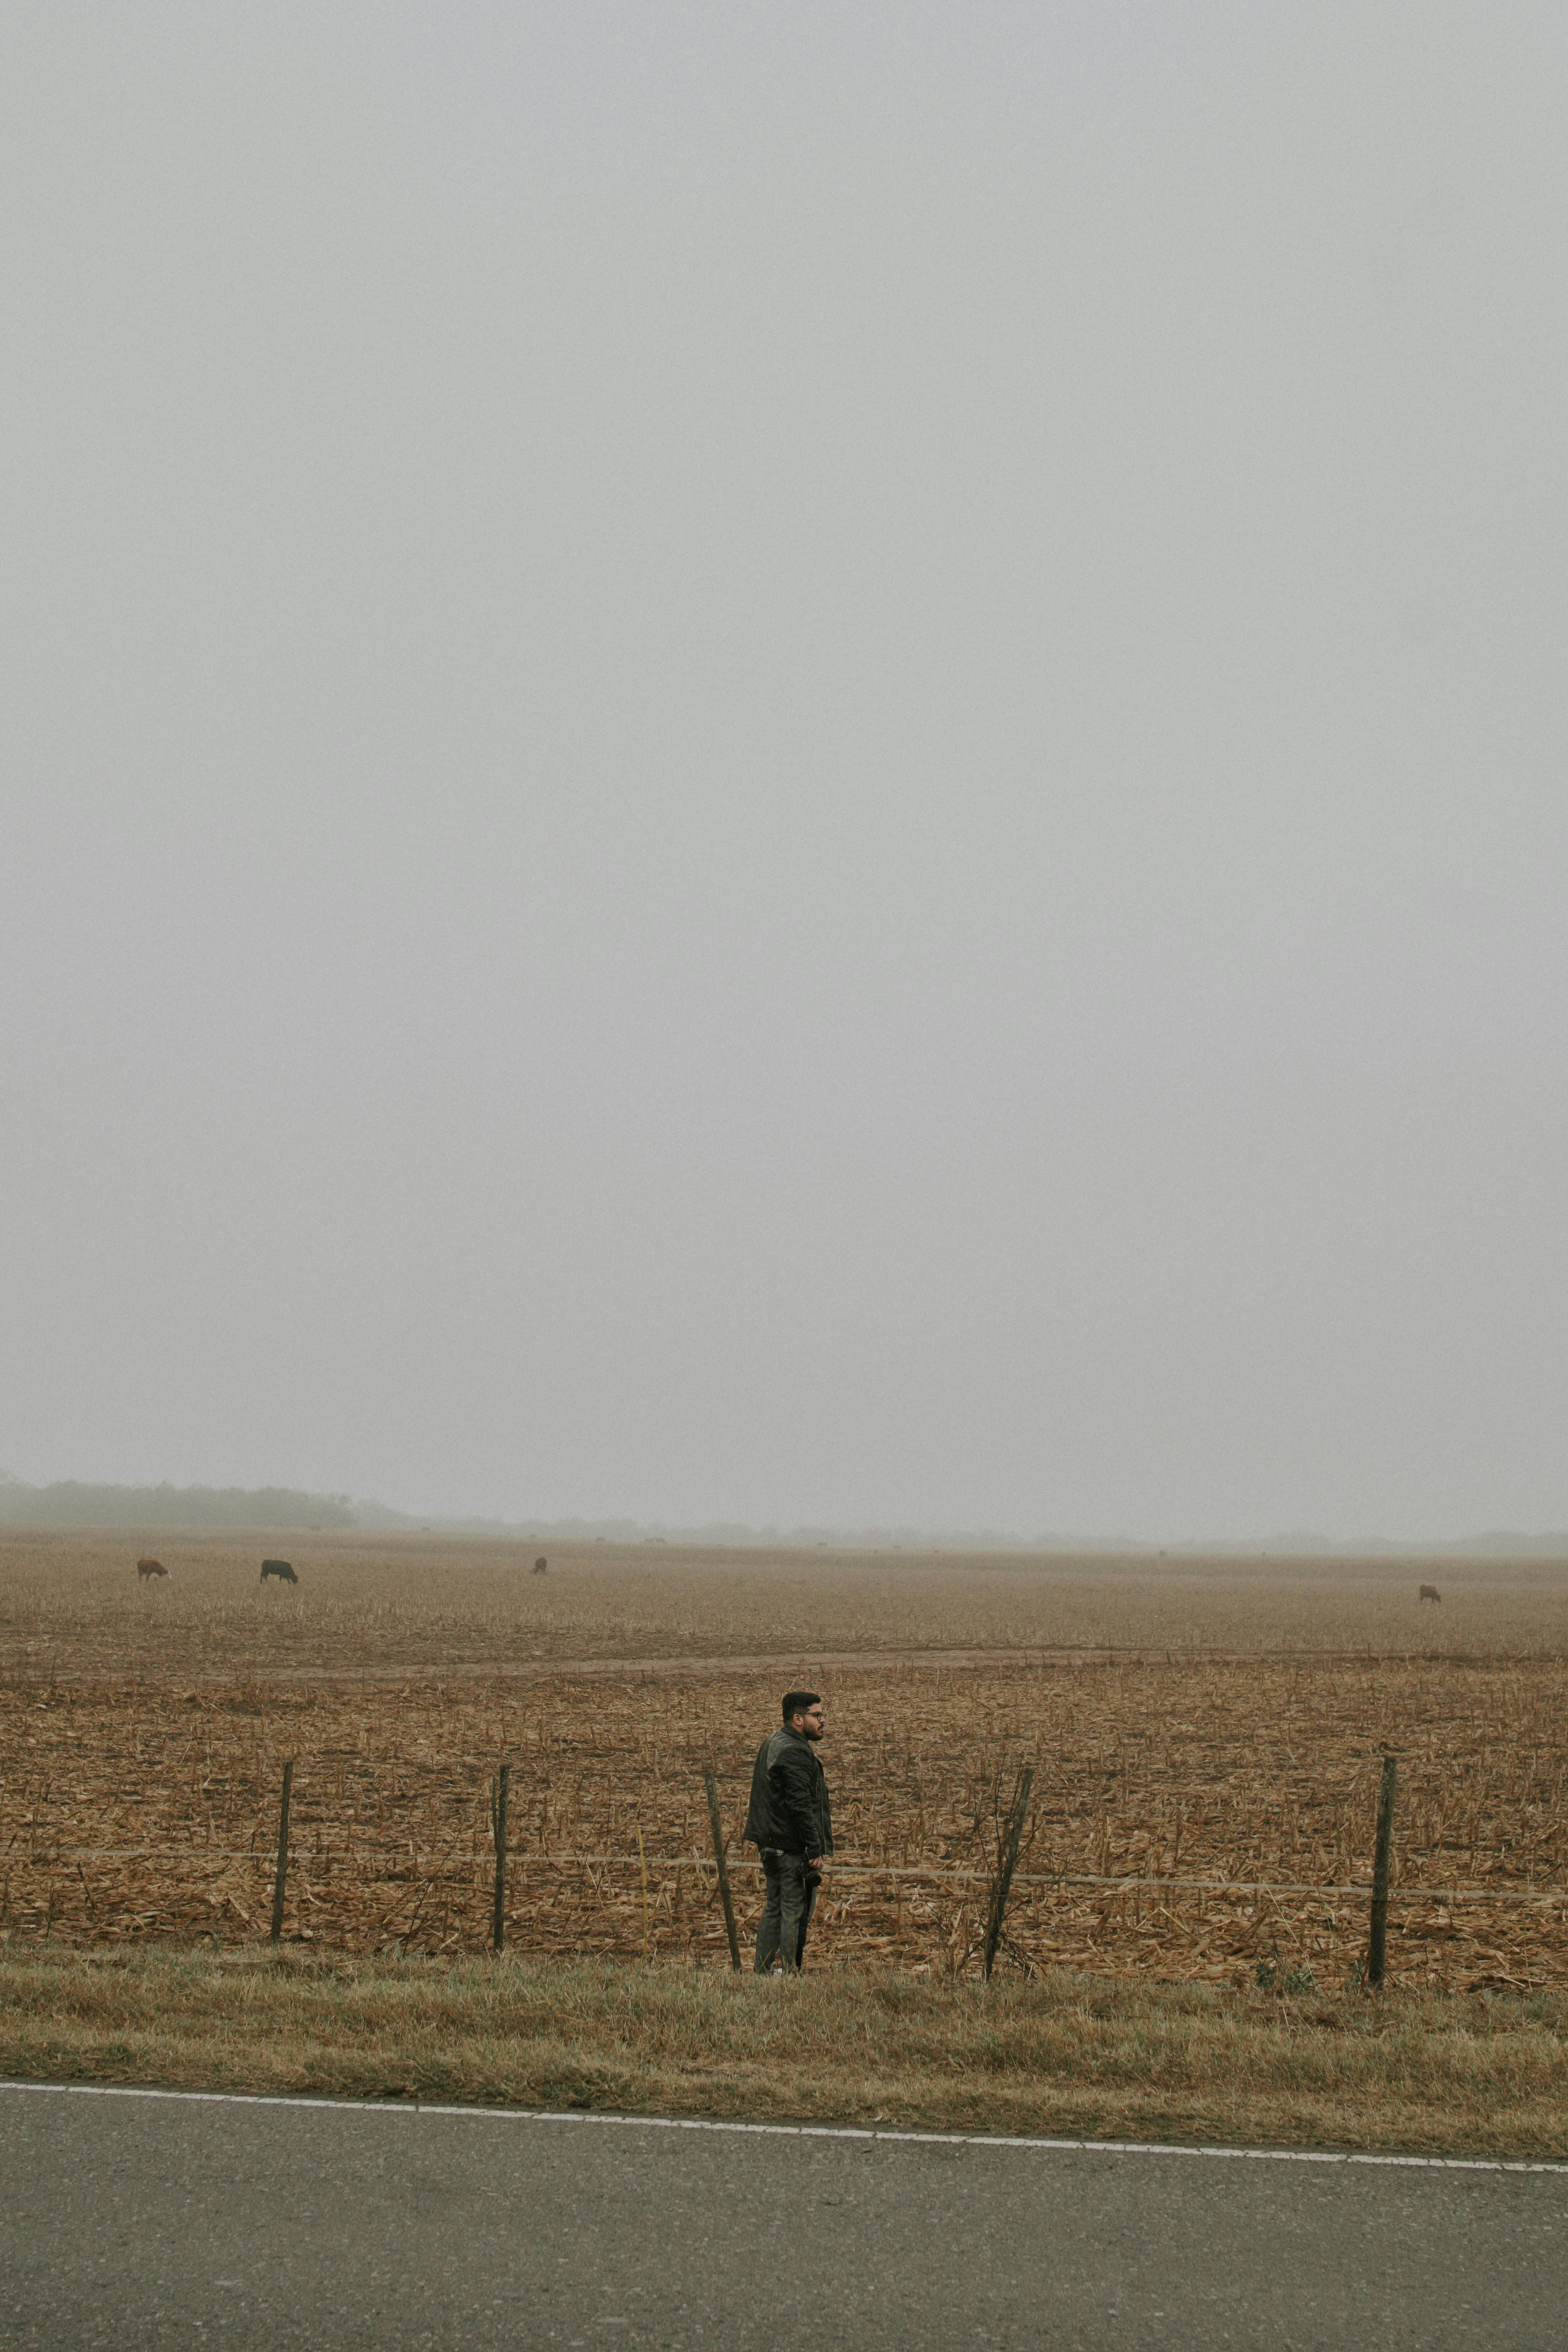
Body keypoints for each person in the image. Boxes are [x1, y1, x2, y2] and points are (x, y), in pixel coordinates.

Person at [744, 1689, 832, 1974]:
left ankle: (763, 1973)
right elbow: (800, 1805)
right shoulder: (795, 1751)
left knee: (774, 1907)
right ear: (798, 1719)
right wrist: (815, 1848)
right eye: (817, 1715)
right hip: (789, 1847)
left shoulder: (772, 1742)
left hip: (769, 1844)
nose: (823, 1720)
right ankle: (790, 1974)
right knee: (794, 1910)